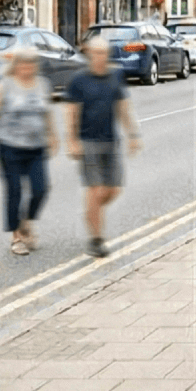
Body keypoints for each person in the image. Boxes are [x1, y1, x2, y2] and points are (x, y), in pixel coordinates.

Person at [0, 46, 56, 256]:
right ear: (16, 66)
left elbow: (47, 113)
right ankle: (17, 237)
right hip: (8, 146)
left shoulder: (42, 85)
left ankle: (26, 221)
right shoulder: (4, 86)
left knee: (41, 189)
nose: (27, 69)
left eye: (31, 65)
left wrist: (53, 136)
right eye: (23, 64)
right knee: (15, 191)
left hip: (36, 147)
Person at [64, 37, 141, 258]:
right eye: (96, 54)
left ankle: (92, 210)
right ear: (89, 56)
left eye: (103, 54)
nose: (100, 58)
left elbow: (123, 106)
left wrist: (133, 134)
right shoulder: (79, 80)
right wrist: (72, 141)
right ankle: (96, 239)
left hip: (111, 141)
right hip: (88, 142)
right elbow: (71, 113)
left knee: (113, 190)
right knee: (96, 191)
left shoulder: (115, 75)